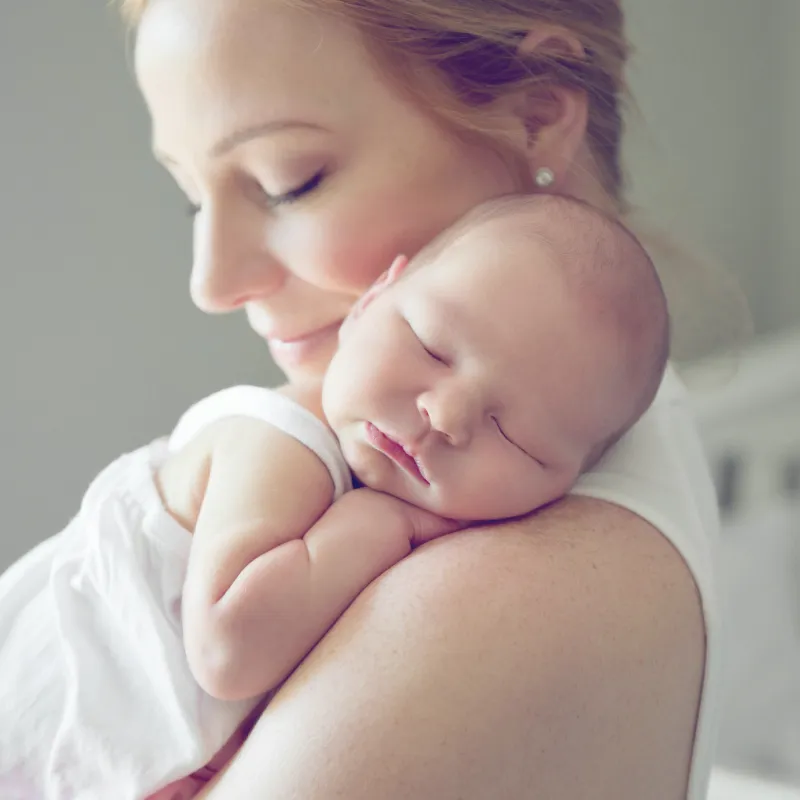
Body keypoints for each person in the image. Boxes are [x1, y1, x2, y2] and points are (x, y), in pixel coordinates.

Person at [59, 0, 735, 795]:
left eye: (289, 181)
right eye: (193, 199)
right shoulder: (598, 421)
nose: (211, 284)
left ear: (534, 110)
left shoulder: (490, 591)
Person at [0, 194, 669, 800]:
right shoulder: (282, 440)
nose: (447, 415)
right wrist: (379, 525)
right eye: (433, 348)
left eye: (515, 435)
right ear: (375, 297)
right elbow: (229, 647)